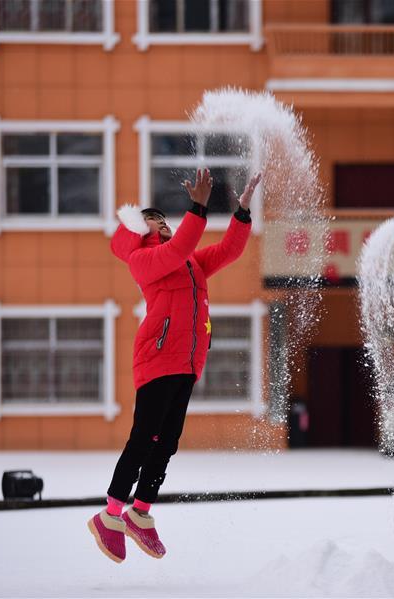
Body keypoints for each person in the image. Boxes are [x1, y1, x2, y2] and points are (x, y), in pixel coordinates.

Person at [88, 168, 262, 563]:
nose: (164, 224)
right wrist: (198, 208)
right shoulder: (144, 259)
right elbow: (179, 248)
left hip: (186, 362)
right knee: (143, 438)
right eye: (155, 220)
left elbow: (228, 251)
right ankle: (110, 515)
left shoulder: (189, 264)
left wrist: (243, 210)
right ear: (140, 230)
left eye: (166, 220)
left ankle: (141, 512)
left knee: (167, 443)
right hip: (156, 359)